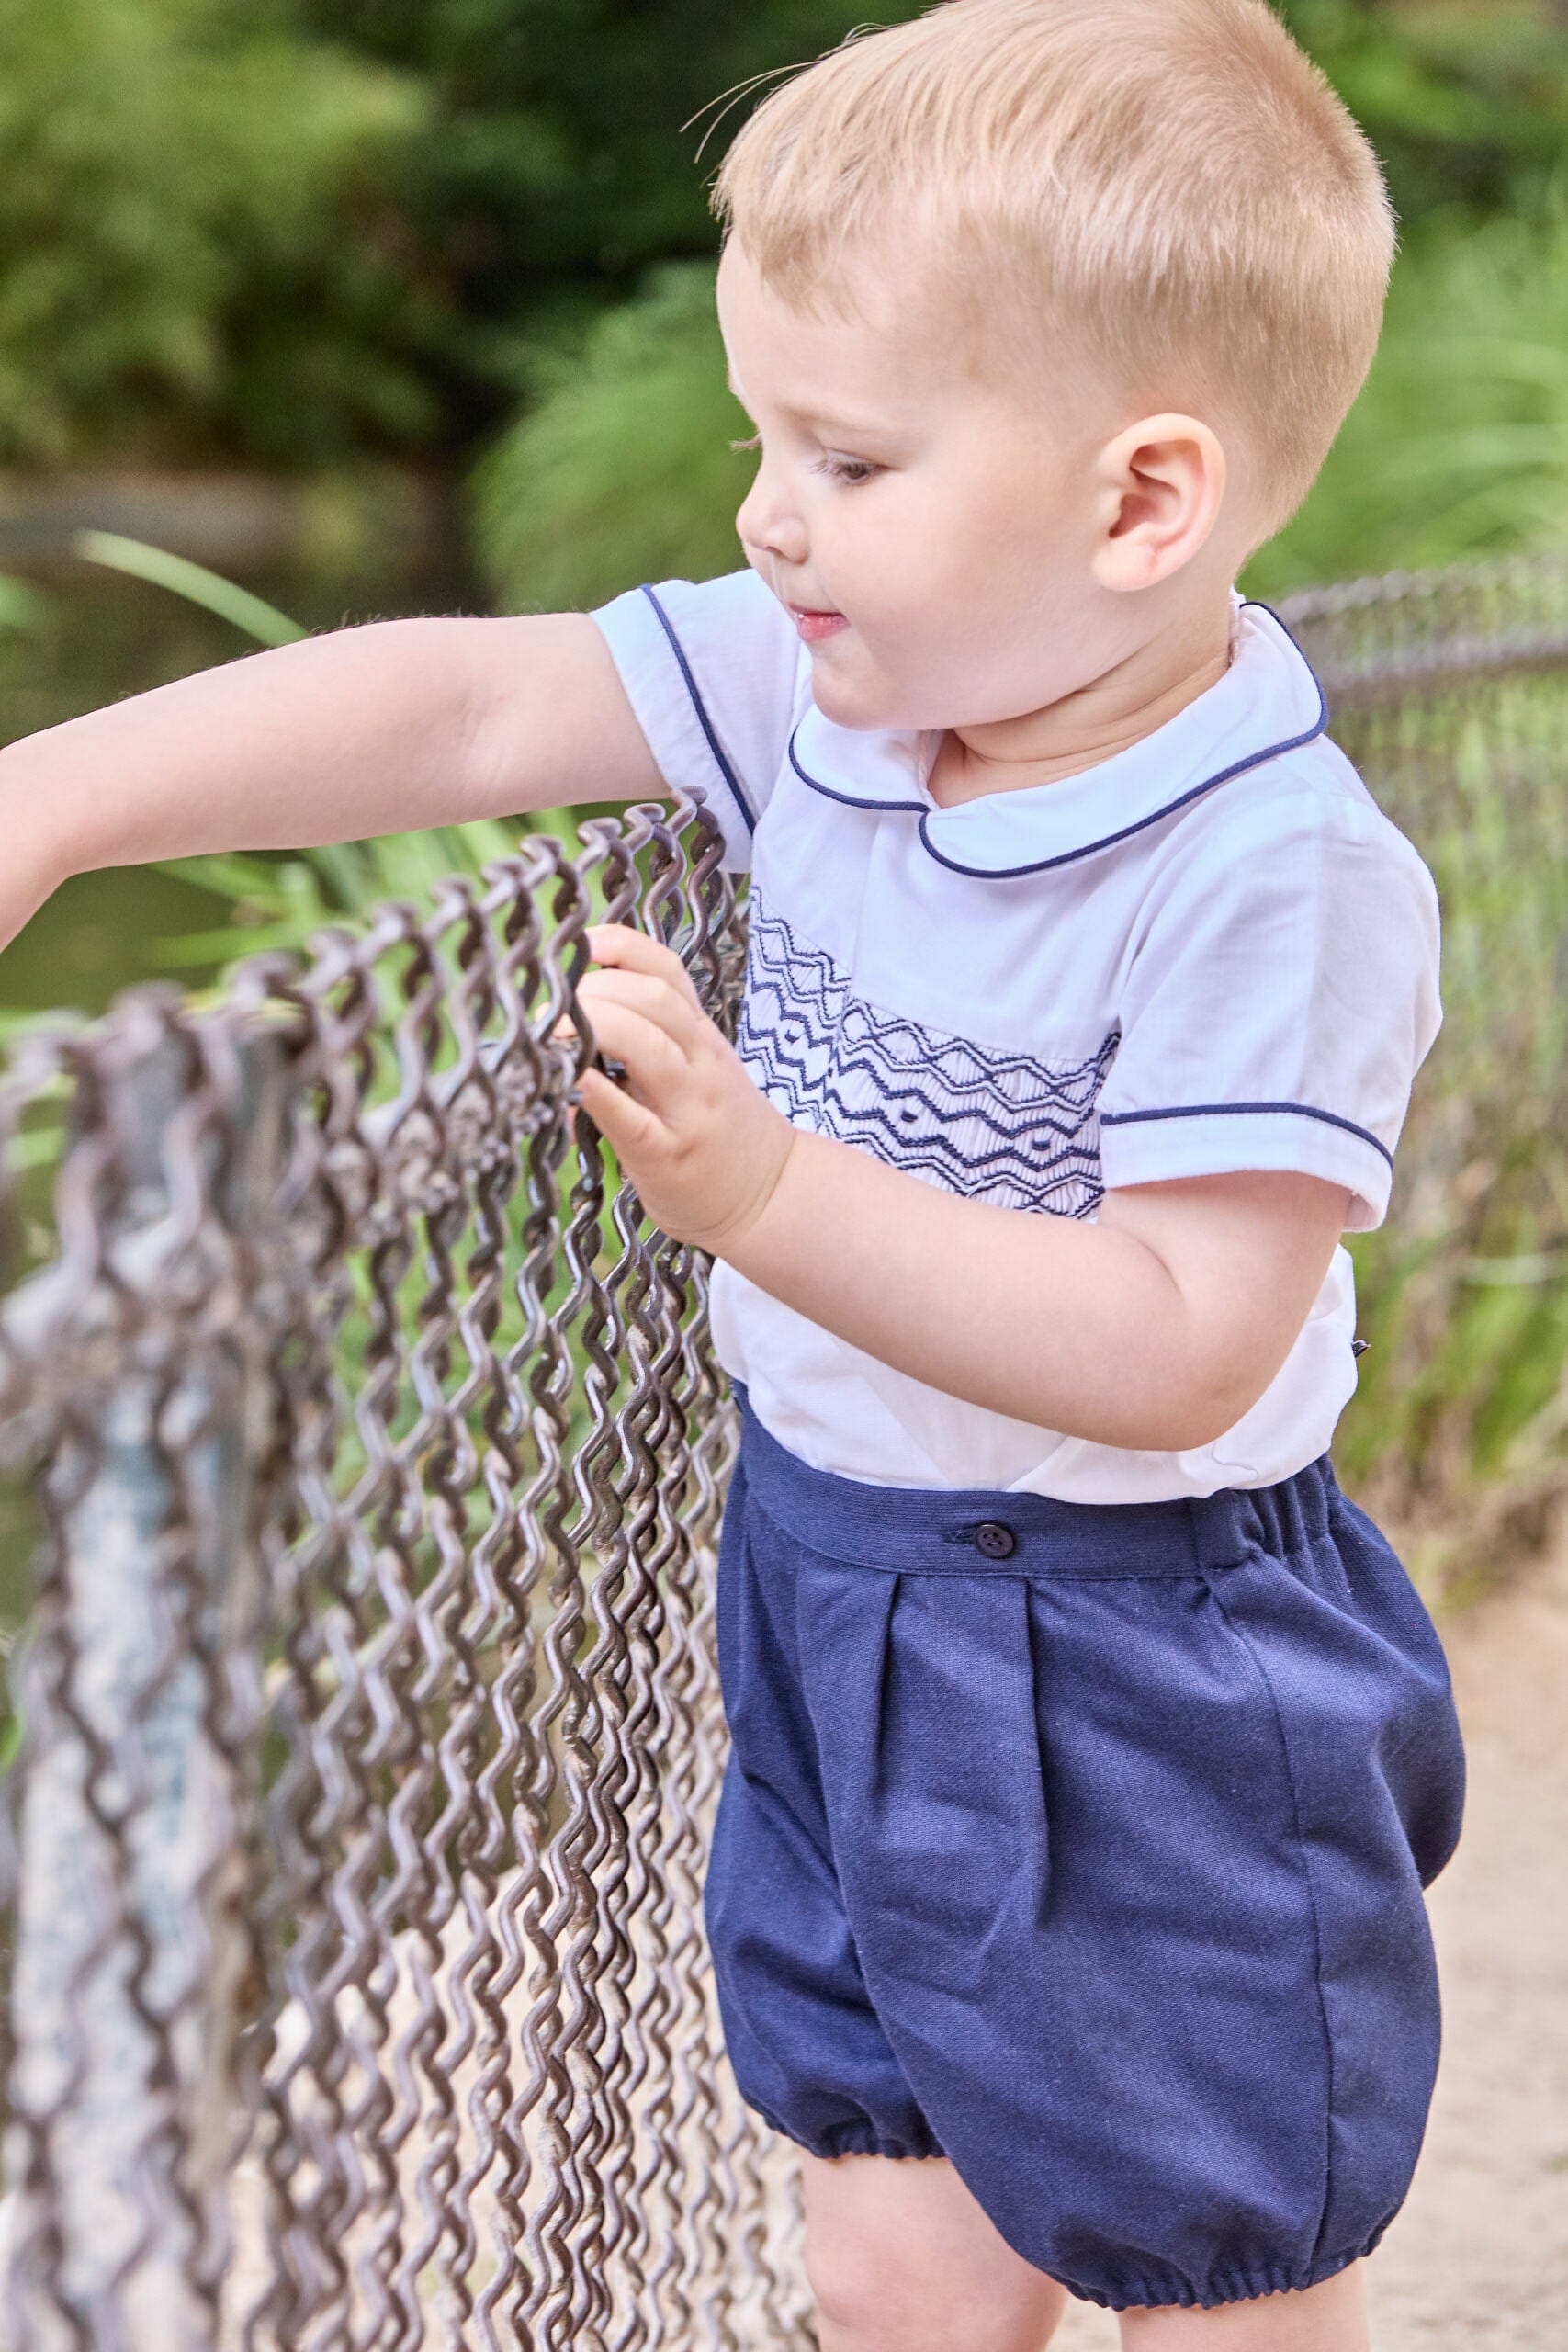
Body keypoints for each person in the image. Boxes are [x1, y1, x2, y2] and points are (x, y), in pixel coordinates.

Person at [0, 1, 1466, 2344]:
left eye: (850, 457)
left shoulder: (1265, 873)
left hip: (1144, 1651)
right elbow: (461, 705)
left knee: (1214, 2263)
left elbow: (1181, 1346)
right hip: (829, 1579)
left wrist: (769, 1196)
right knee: (882, 2249)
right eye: (757, 435)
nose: (769, 515)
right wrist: (54, 797)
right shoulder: (844, 696)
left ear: (1136, 504)